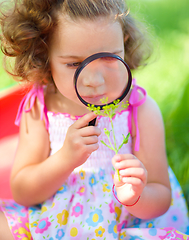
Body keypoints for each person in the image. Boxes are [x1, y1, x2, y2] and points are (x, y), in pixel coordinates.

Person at [0, 0, 188, 239]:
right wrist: (65, 158)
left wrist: (137, 196)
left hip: (123, 225)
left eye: (109, 57)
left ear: (124, 43)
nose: (94, 80)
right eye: (75, 64)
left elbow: (160, 196)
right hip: (58, 220)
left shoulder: (140, 110)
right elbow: (23, 192)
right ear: (43, 54)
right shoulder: (39, 109)